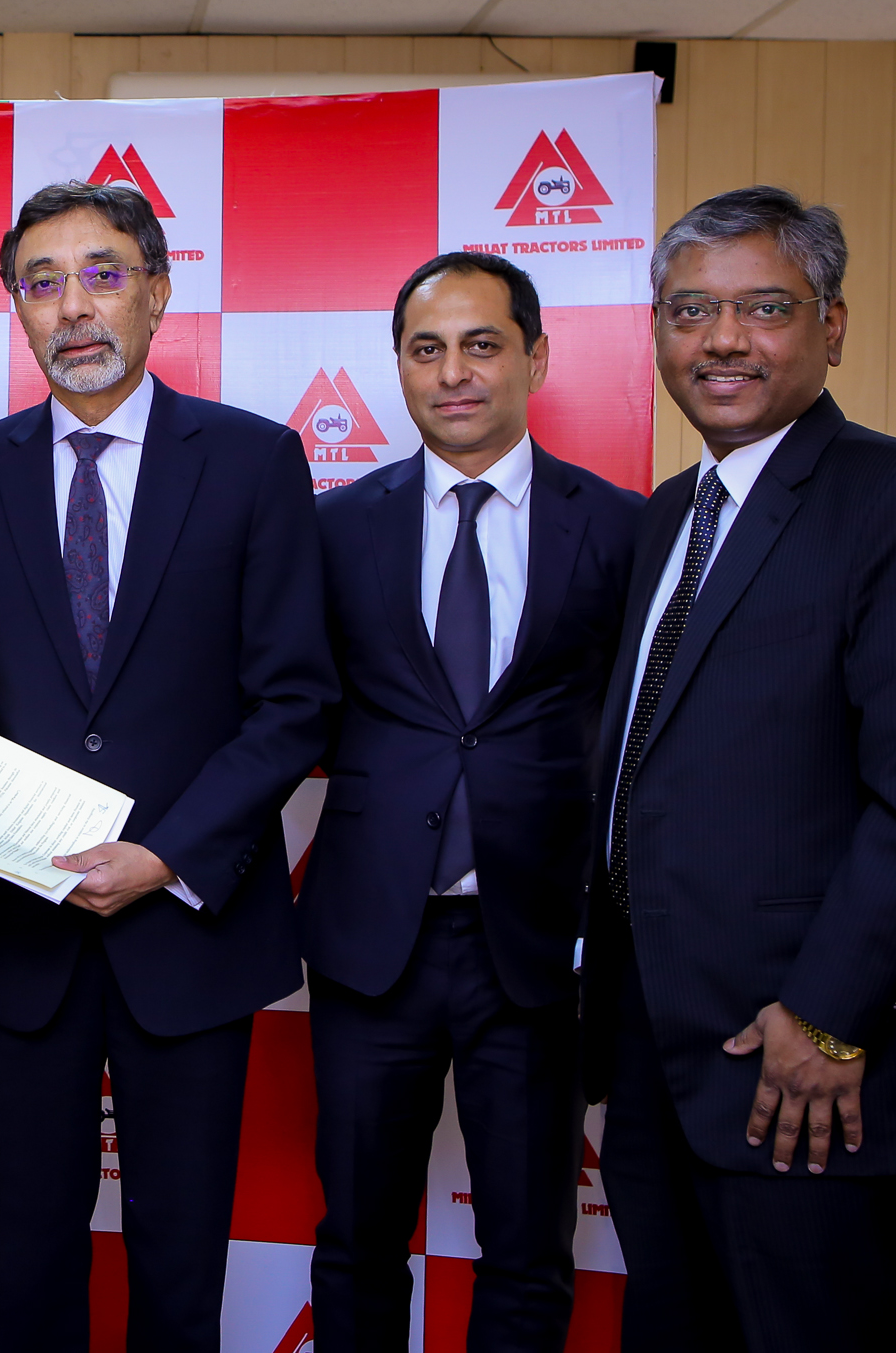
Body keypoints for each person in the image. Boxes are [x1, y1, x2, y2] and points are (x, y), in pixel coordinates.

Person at [0, 181, 336, 1351]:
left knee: (180, 1256)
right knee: (26, 1252)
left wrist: (166, 856)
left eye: (101, 275)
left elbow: (294, 698)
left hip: (189, 931)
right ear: (15, 311)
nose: (72, 307)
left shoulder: (252, 463)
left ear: (155, 293)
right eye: (40, 283)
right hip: (23, 930)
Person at [582, 186, 896, 1351]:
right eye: (688, 311)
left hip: (798, 1059)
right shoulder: (666, 518)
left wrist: (830, 1019)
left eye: (761, 308)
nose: (721, 340)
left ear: (830, 325)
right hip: (655, 1047)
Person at [302, 252, 642, 1351]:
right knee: (356, 1240)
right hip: (369, 943)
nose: (453, 373)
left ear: (534, 357)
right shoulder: (334, 526)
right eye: (424, 348)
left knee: (528, 1250)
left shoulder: (621, 528)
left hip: (536, 948)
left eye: (481, 344)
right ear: (397, 367)